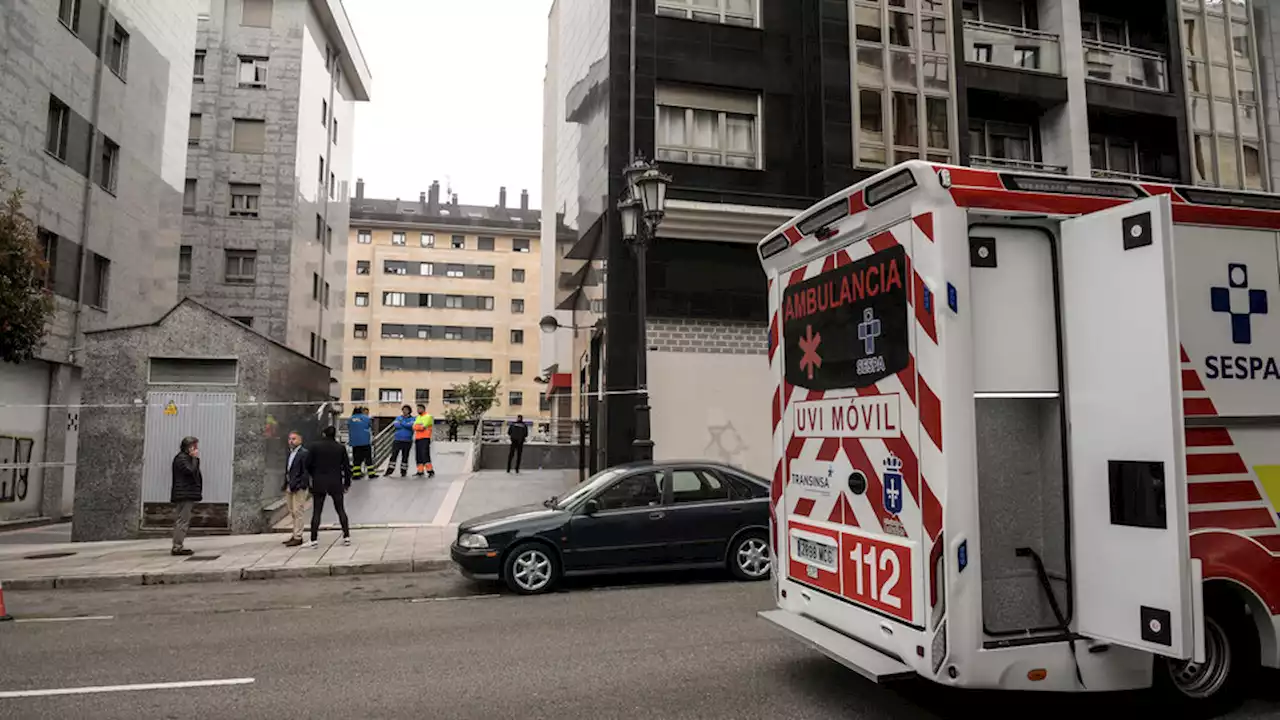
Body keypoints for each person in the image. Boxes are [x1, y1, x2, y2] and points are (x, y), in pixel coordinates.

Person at [305, 426, 353, 548]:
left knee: (317, 511)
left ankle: (314, 539)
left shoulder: (315, 447)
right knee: (340, 509)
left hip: (319, 481)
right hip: (335, 482)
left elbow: (307, 464)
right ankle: (346, 536)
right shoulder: (340, 448)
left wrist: (313, 476)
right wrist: (347, 483)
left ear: (324, 434)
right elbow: (347, 467)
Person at [170, 436, 203, 556]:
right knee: (183, 520)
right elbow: (190, 471)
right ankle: (177, 547)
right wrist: (194, 459)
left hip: (185, 493)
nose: (196, 449)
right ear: (188, 447)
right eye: (194, 446)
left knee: (182, 519)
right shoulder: (182, 459)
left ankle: (178, 545)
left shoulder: (184, 458)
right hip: (184, 494)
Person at [281, 431, 311, 547]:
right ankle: (294, 533)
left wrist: (302, 485)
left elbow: (305, 471)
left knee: (298, 511)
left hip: (298, 486)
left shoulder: (304, 453)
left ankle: (298, 536)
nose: (291, 441)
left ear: (300, 440)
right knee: (292, 511)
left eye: (294, 439)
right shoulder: (289, 453)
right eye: (290, 439)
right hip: (290, 485)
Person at [384, 405, 415, 477]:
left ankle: (403, 471)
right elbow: (396, 425)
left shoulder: (413, 418)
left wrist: (402, 423)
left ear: (409, 411)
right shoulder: (398, 417)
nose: (404, 411)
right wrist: (405, 424)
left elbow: (410, 426)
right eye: (403, 410)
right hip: (397, 439)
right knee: (394, 455)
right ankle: (389, 471)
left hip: (407, 440)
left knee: (405, 456)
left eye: (406, 410)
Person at [347, 407, 372, 480]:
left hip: (354, 442)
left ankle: (356, 474)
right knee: (368, 458)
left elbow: (349, 427)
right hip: (365, 441)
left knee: (356, 459)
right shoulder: (366, 418)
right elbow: (369, 426)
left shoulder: (350, 419)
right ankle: (371, 474)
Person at [413, 404, 435, 478]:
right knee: (418, 455)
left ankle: (430, 471)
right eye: (417, 409)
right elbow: (414, 426)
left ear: (423, 409)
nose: (418, 410)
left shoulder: (428, 417)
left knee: (425, 454)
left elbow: (423, 427)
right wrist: (418, 426)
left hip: (425, 438)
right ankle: (420, 471)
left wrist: (418, 426)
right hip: (418, 438)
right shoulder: (418, 417)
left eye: (419, 409)